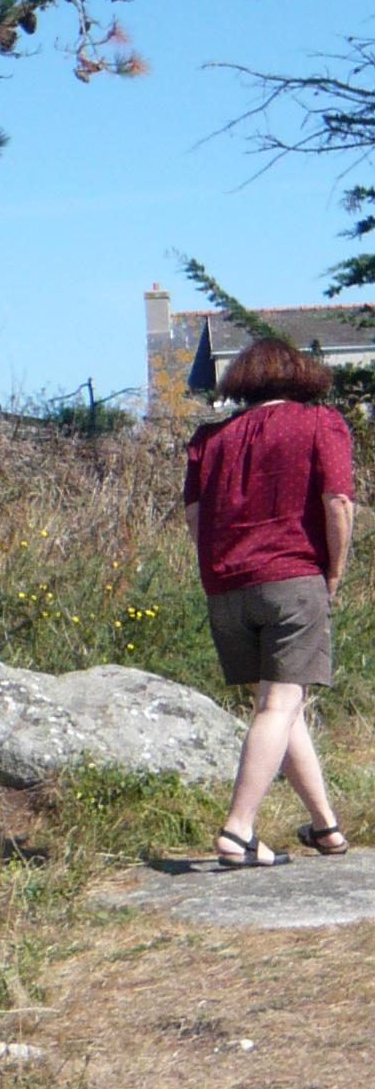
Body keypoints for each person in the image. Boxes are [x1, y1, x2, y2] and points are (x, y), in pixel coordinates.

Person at [184, 337, 356, 868]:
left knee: (284, 706)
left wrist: (223, 568)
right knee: (278, 705)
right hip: (291, 578)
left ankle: (325, 826)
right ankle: (238, 831)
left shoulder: (208, 439)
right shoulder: (318, 423)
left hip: (227, 587)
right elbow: (338, 502)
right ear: (300, 375)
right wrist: (333, 572)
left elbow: (194, 519)